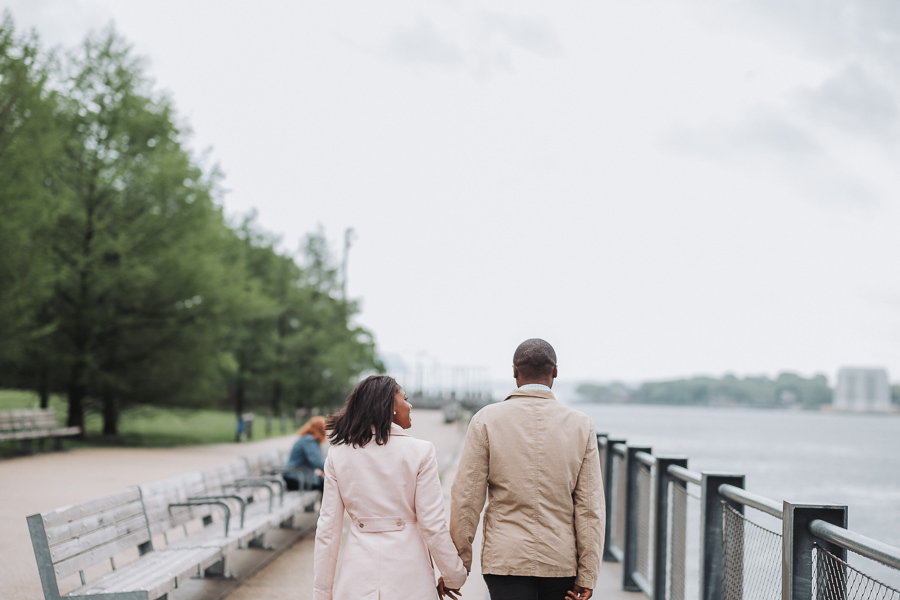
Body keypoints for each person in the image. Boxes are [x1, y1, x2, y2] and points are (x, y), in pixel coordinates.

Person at [450, 339, 605, 600]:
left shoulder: (486, 419)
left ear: (514, 371)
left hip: (506, 559)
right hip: (560, 560)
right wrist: (587, 573)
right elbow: (590, 508)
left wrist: (458, 566)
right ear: (555, 371)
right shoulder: (582, 425)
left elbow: (466, 499)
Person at [313, 375, 467, 600]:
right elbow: (433, 524)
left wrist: (322, 594)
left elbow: (328, 531)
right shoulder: (421, 451)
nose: (410, 404)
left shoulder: (339, 453)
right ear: (391, 406)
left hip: (357, 578)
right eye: (405, 398)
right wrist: (454, 575)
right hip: (410, 577)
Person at [283, 417, 327, 491]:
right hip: (295, 479)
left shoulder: (307, 438)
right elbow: (316, 461)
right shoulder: (309, 440)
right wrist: (330, 469)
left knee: (324, 483)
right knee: (326, 485)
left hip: (297, 477)